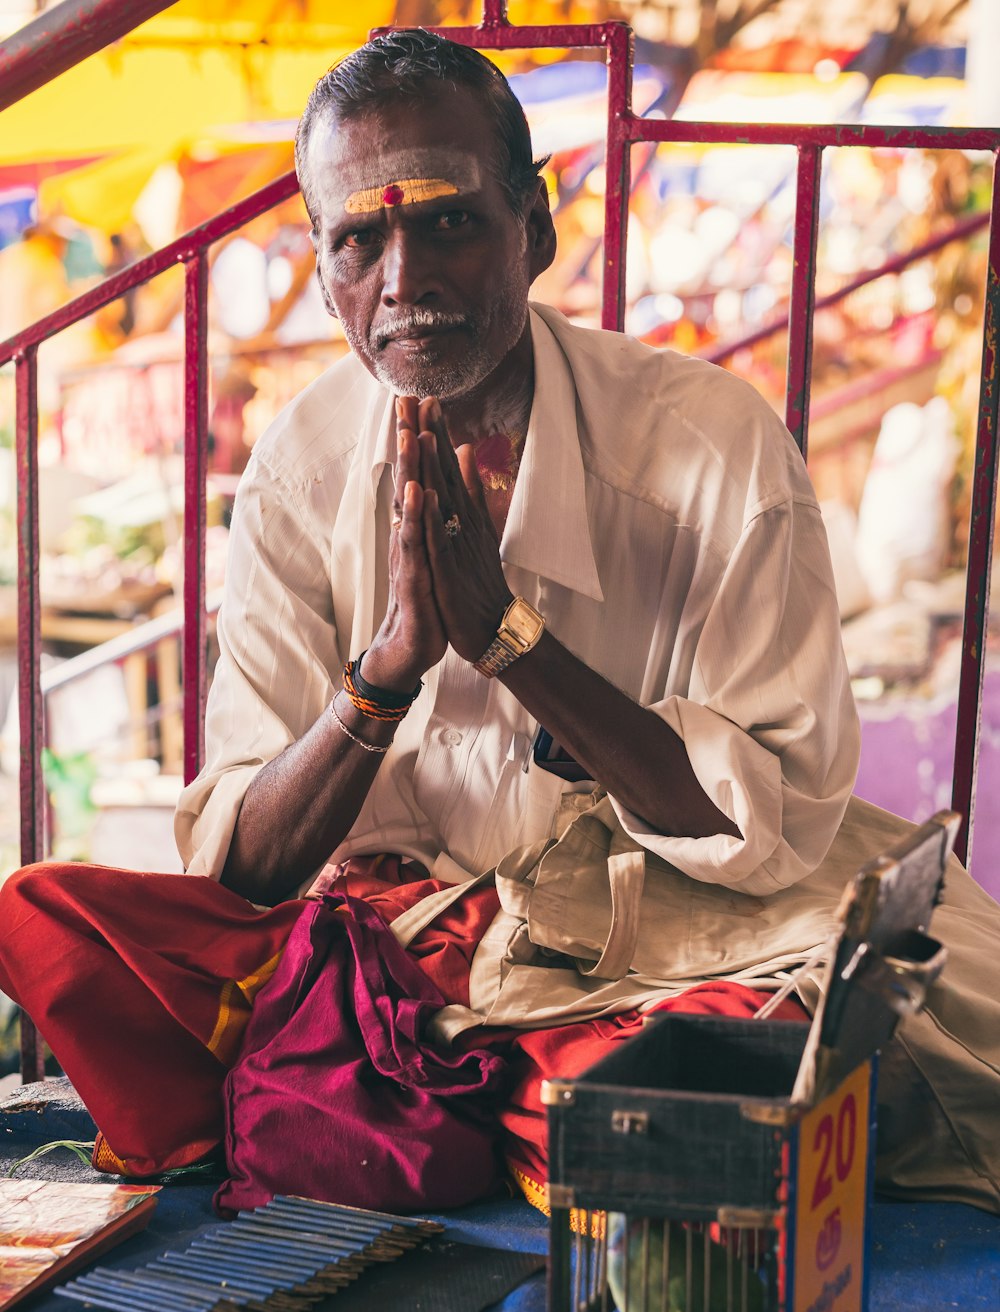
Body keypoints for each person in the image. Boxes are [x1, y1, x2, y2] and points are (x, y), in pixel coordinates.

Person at [4, 33, 994, 1214]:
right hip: (395, 944)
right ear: (324, 268)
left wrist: (512, 642)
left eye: (450, 223)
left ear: (534, 227)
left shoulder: (715, 450)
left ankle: (446, 1099)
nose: (403, 276)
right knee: (50, 917)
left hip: (654, 942)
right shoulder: (298, 472)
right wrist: (382, 679)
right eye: (358, 239)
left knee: (806, 1034)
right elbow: (247, 870)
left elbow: (761, 829)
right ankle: (470, 1095)